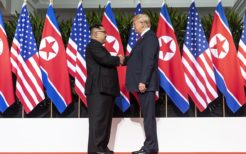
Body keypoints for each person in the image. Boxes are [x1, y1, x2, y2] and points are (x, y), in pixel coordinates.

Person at [85, 24, 124, 154]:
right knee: (98, 120)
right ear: (96, 34)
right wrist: (118, 59)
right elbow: (105, 59)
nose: (106, 34)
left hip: (105, 90)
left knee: (105, 121)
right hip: (98, 90)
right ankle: (95, 149)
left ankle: (102, 147)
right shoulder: (93, 46)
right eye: (104, 32)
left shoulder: (99, 47)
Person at [124, 14, 159, 154]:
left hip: (146, 85)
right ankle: (150, 146)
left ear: (143, 23)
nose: (134, 27)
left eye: (135, 24)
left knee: (148, 118)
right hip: (143, 84)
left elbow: (149, 62)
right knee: (147, 116)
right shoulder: (144, 39)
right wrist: (120, 60)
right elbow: (134, 59)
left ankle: (151, 147)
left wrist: (143, 81)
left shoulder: (150, 38)